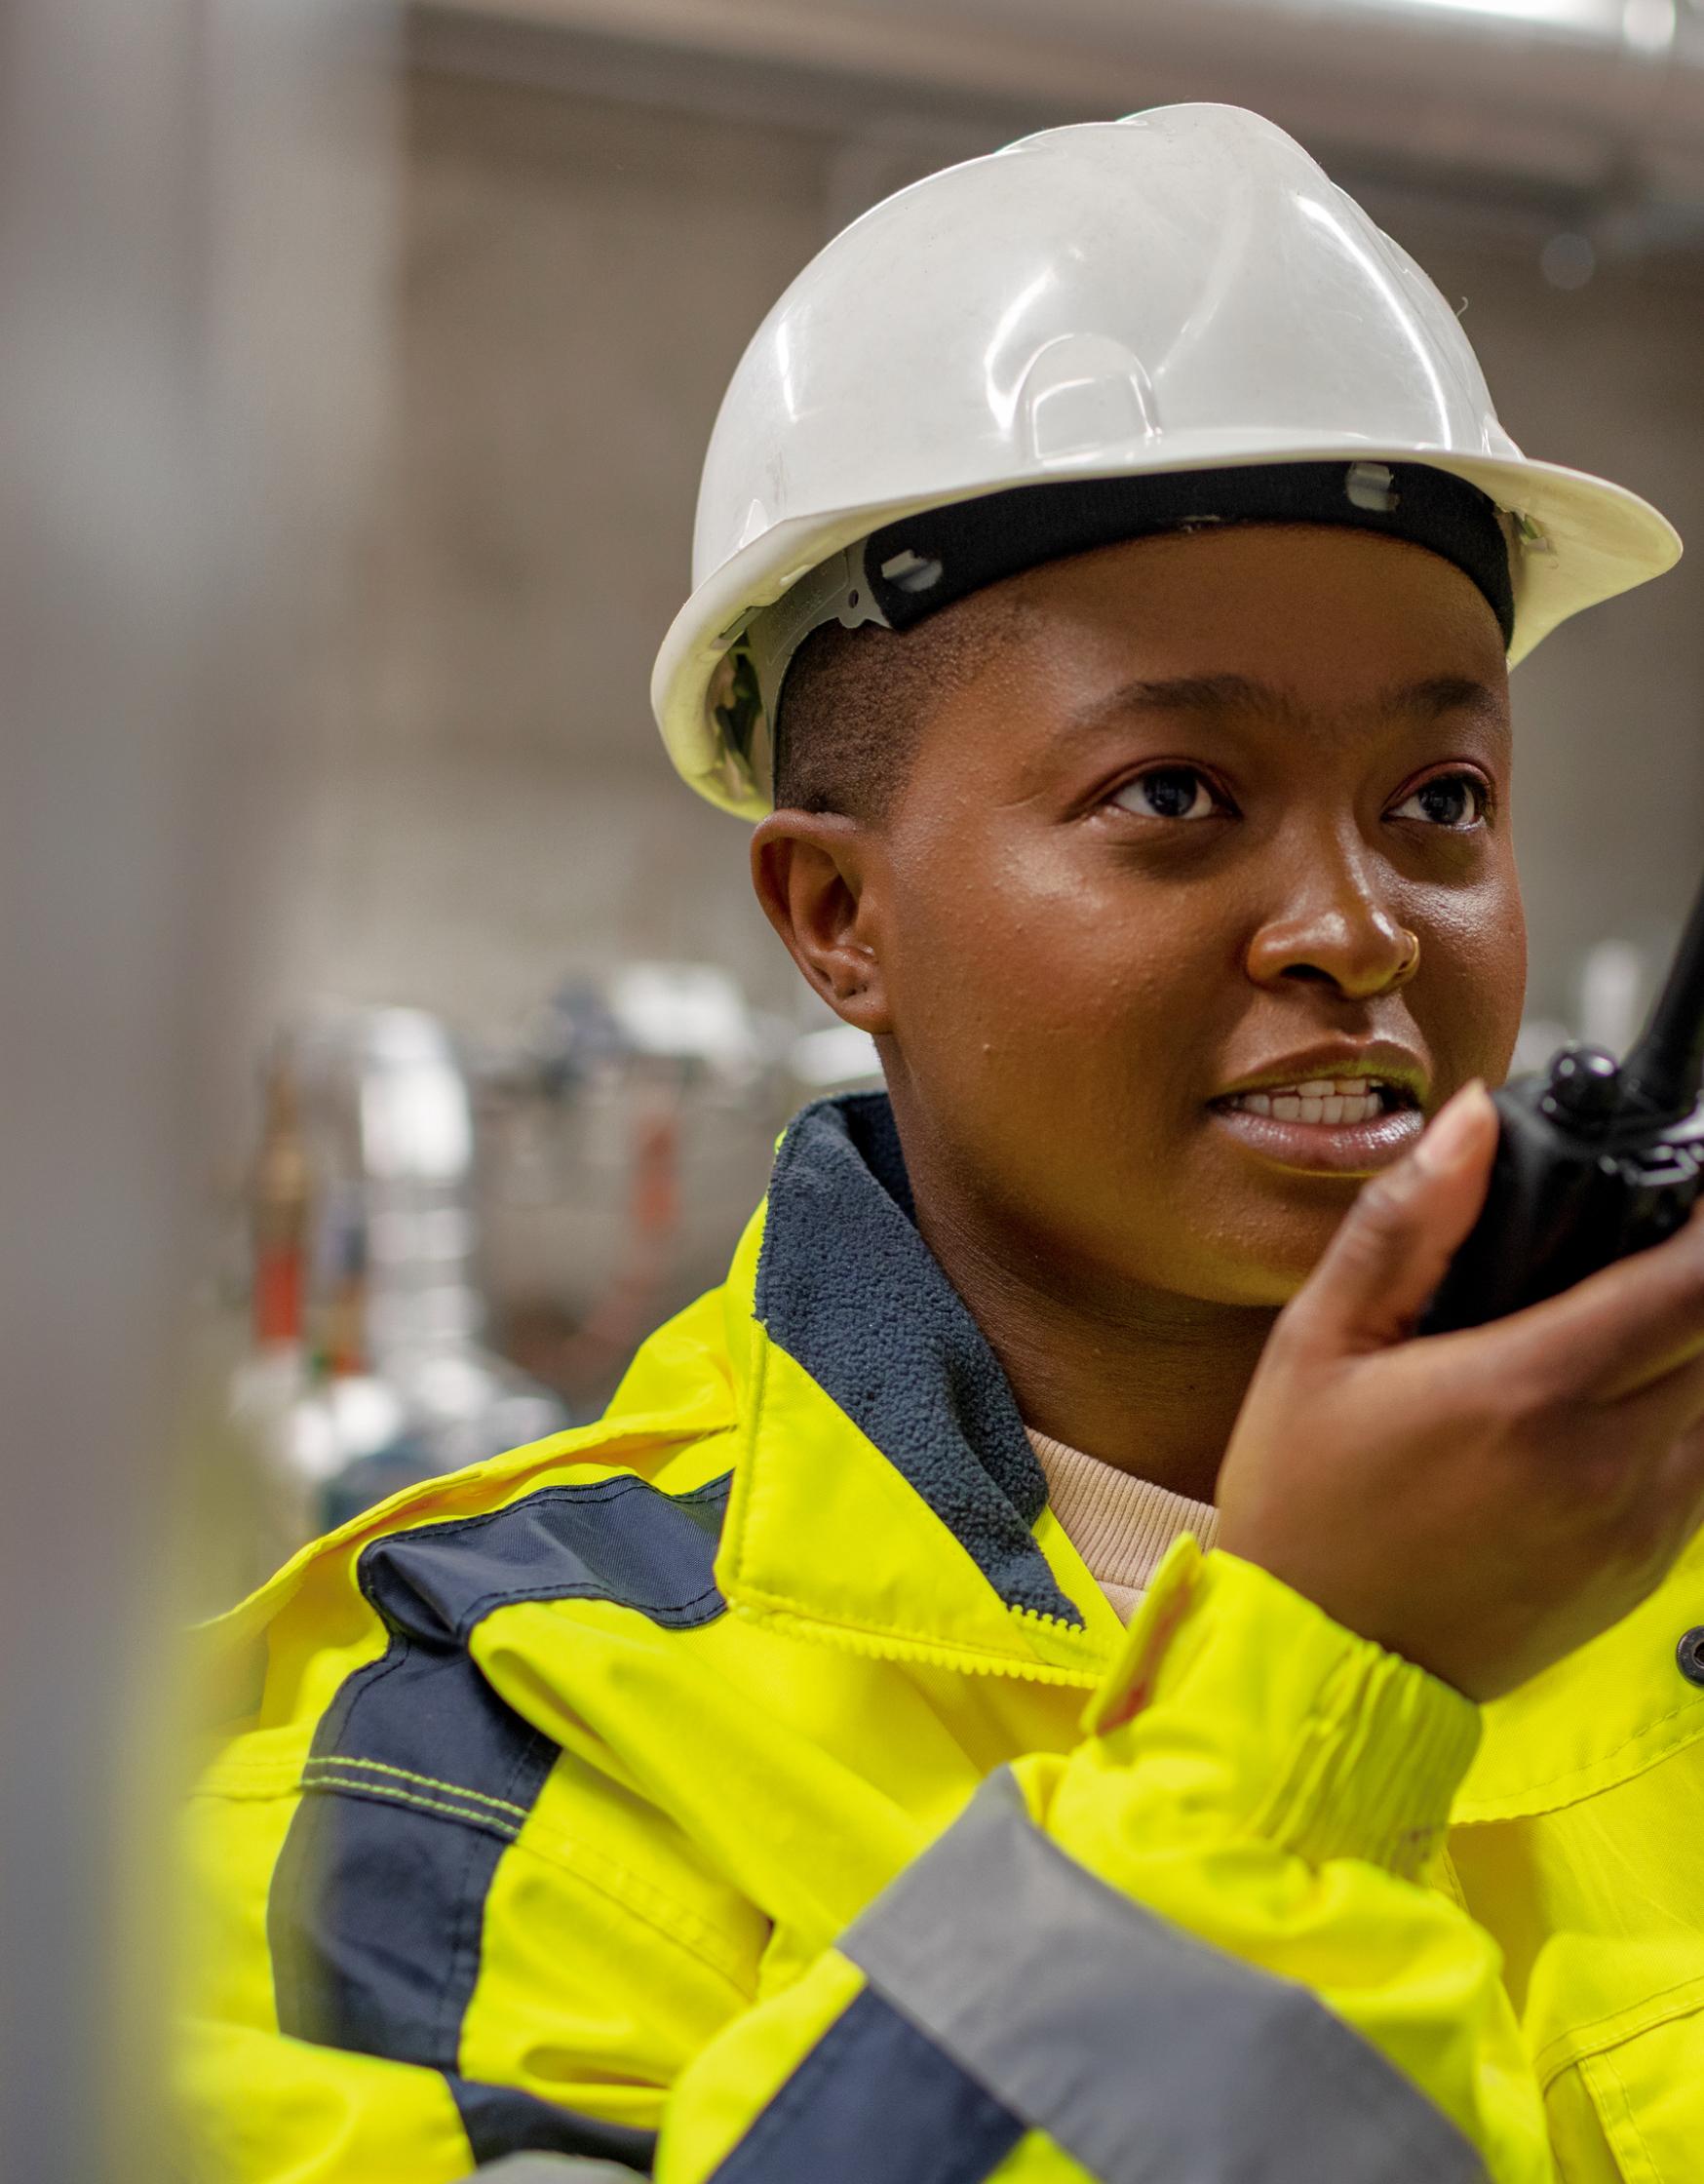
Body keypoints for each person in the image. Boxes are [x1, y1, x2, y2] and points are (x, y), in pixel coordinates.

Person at [182, 106, 1704, 2183]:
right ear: (838, 918)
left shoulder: (1660, 1556)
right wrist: (1318, 1700)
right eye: (1176, 792)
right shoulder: (474, 1743)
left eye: (1437, 797)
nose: (1353, 924)